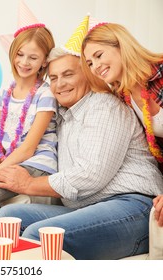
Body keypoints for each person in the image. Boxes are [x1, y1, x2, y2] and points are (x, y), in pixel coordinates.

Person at [0, 43, 163, 259]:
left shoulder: (104, 106)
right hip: (86, 209)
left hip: (133, 207)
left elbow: (91, 175)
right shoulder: (61, 115)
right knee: (7, 218)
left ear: (88, 75)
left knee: (42, 236)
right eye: (53, 78)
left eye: (68, 74)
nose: (60, 84)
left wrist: (29, 184)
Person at [0, 22, 57, 216]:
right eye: (20, 54)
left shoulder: (45, 95)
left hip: (36, 165)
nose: (24, 62)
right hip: (11, 163)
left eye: (33, 57)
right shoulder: (6, 93)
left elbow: (27, 149)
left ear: (44, 61)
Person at [81, 22, 163, 227]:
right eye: (90, 63)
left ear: (121, 46)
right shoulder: (122, 95)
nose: (96, 67)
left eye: (98, 55)